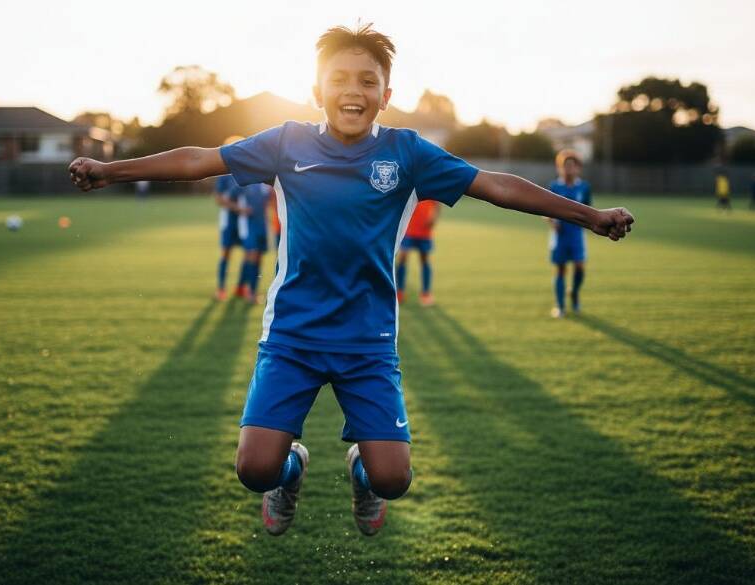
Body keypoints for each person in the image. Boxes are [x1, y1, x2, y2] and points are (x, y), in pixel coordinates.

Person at [69, 23, 634, 538]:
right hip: (292, 336)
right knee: (255, 469)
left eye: (369, 81)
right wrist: (111, 170)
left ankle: (363, 472)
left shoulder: (407, 153)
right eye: (339, 79)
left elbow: (496, 185)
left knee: (393, 479)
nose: (353, 91)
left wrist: (589, 216)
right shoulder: (286, 143)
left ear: (386, 96)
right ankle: (292, 470)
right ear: (317, 89)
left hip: (367, 342)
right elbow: (200, 160)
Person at [547, 150, 591, 318]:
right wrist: (552, 223)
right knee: (560, 270)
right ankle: (560, 306)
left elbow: (589, 210)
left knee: (580, 267)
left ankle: (574, 292)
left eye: (572, 166)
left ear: (578, 168)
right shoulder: (554, 187)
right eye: (565, 166)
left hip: (577, 235)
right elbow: (545, 210)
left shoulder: (584, 187)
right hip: (560, 236)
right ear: (560, 168)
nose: (568, 170)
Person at [214, 138, 248, 300]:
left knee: (248, 253)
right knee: (226, 253)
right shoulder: (224, 173)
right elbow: (219, 199)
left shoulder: (249, 170)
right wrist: (237, 208)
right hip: (229, 220)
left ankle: (241, 287)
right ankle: (221, 288)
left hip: (246, 221)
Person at [396, 199, 439, 306]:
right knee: (402, 258)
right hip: (409, 229)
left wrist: (434, 217)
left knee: (424, 260)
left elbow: (438, 203)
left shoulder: (431, 185)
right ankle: (399, 291)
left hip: (425, 230)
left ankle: (425, 293)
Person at [236, 182, 272, 303]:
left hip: (263, 226)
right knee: (252, 256)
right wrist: (240, 209)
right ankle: (251, 293)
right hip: (249, 225)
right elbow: (224, 198)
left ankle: (242, 288)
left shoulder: (267, 184)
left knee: (257, 258)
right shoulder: (245, 182)